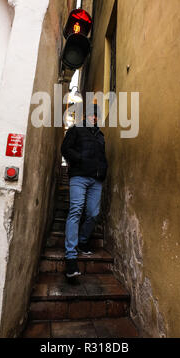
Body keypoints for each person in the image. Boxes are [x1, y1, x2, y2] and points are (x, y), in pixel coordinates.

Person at [61, 103, 108, 278]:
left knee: (94, 213)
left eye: (96, 116)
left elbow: (102, 156)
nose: (93, 118)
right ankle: (71, 256)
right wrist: (80, 159)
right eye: (91, 115)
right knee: (76, 210)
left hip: (96, 180)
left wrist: (103, 170)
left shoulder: (100, 136)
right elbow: (65, 148)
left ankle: (82, 240)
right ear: (85, 116)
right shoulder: (76, 130)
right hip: (79, 177)